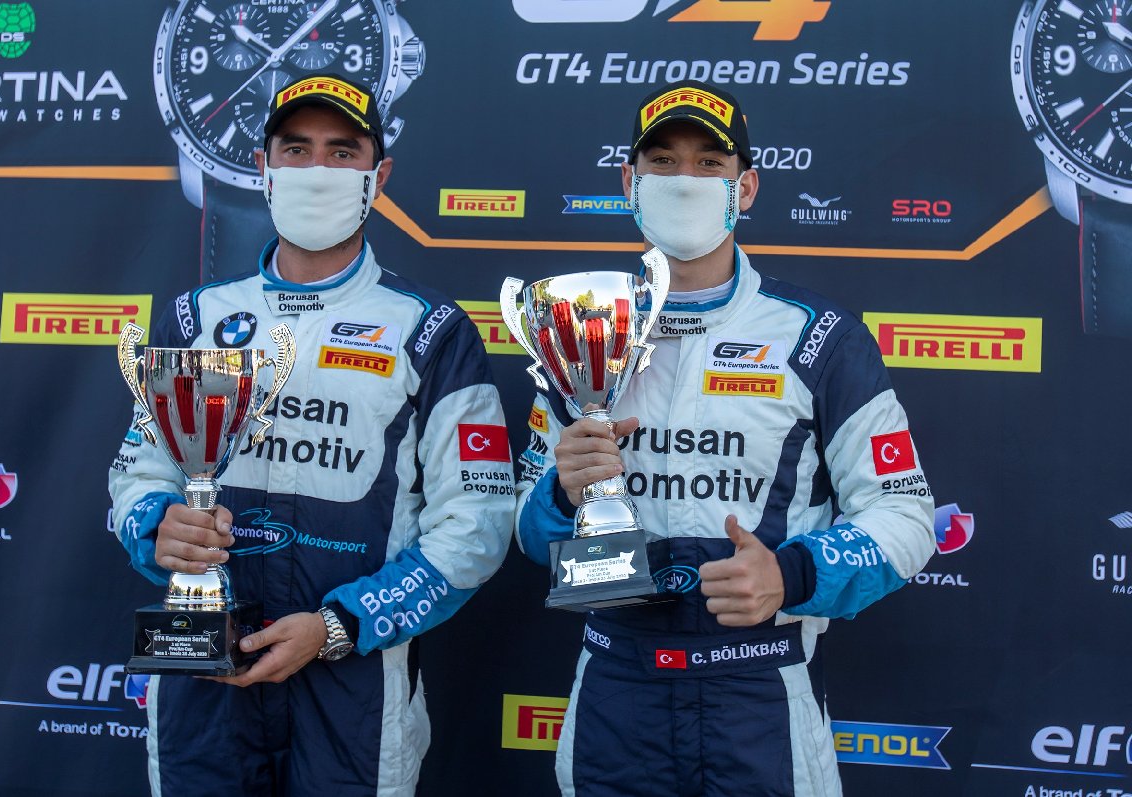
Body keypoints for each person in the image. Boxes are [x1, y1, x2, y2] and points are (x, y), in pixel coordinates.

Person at [514, 81, 936, 797]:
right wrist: (561, 495)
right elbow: (526, 531)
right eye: (663, 161)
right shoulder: (580, 327)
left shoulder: (818, 338)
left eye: (709, 163)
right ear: (629, 184)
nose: (685, 180)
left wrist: (791, 575)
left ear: (745, 188)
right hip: (616, 686)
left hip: (760, 691)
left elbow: (906, 516)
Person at [109, 72, 514, 796]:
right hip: (201, 676)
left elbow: (477, 525)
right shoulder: (198, 317)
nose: (317, 169)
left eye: (342, 151)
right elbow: (138, 474)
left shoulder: (430, 331)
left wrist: (338, 627)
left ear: (378, 176)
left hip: (356, 688)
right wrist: (156, 526)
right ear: (262, 168)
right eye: (295, 150)